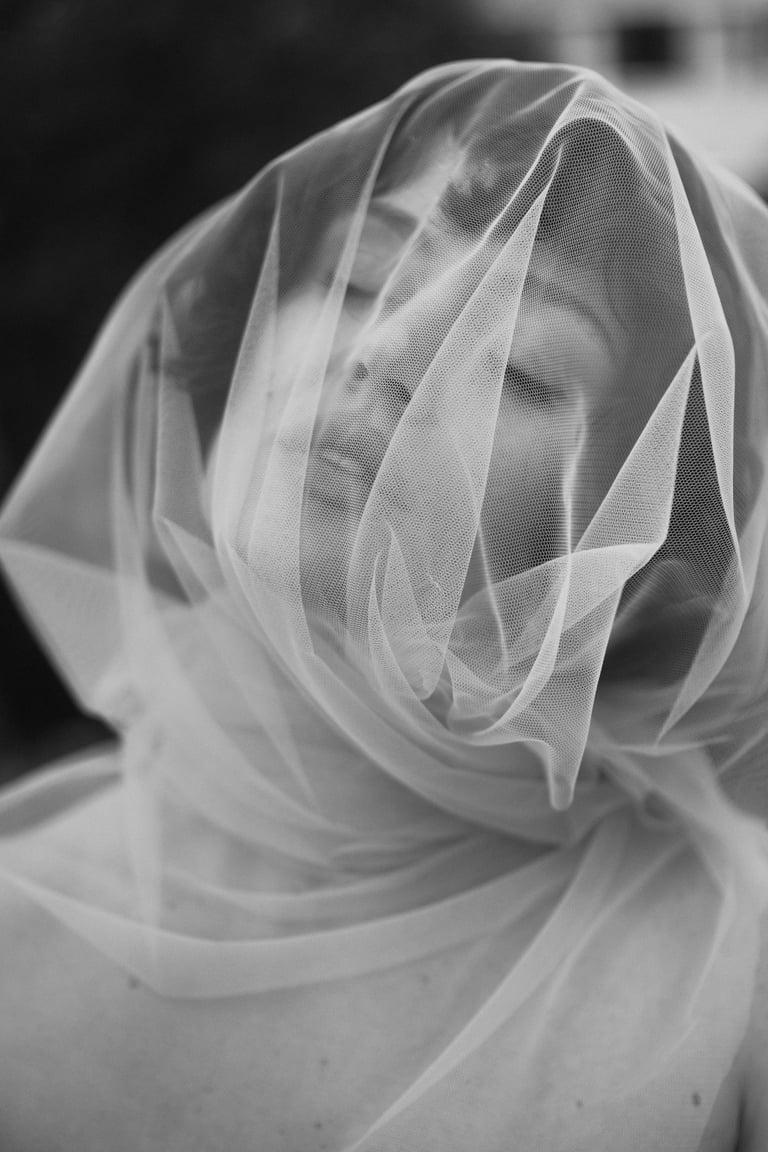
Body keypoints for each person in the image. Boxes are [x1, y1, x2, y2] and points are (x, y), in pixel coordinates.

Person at [0, 58, 766, 1151]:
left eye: (521, 367)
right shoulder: (16, 912)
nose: (387, 353)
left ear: (631, 541)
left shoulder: (734, 993)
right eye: (360, 279)